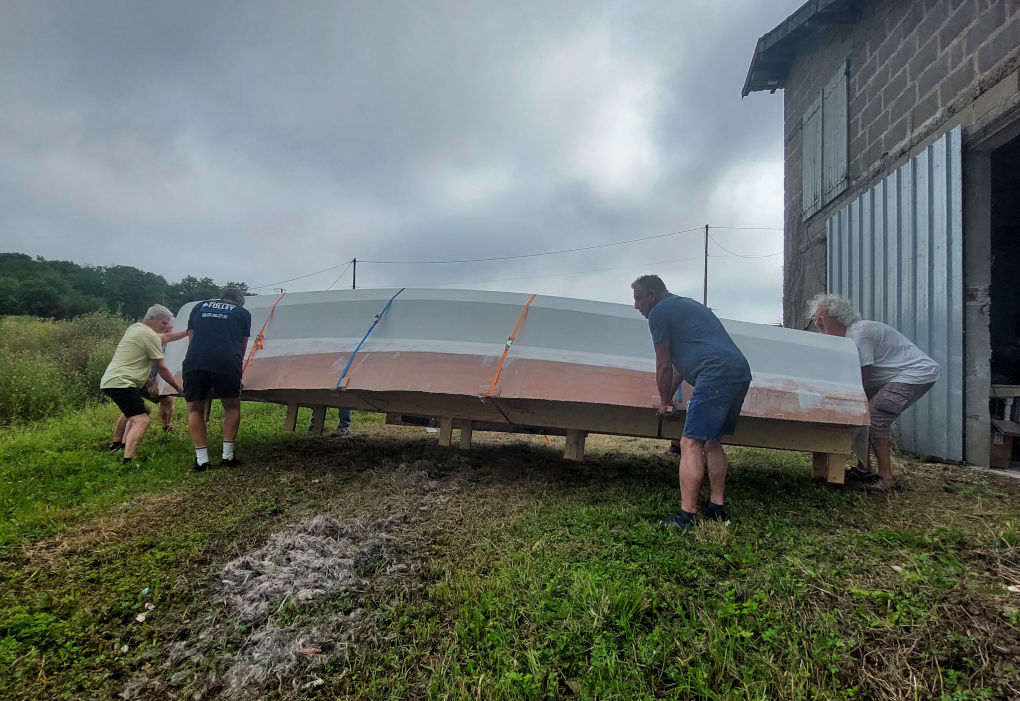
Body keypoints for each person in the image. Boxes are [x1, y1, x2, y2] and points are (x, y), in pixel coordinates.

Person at [632, 275, 751, 530]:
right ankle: (717, 509)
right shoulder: (688, 305)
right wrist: (667, 398)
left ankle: (687, 517)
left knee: (689, 441)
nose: (636, 305)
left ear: (652, 295)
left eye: (638, 297)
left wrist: (664, 402)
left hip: (714, 373)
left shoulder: (659, 312)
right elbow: (677, 369)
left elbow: (663, 365)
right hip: (739, 372)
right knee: (712, 440)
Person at [808, 294, 941, 491]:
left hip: (916, 374)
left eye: (820, 318)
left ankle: (885, 478)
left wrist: (846, 401)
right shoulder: (845, 340)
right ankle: (864, 469)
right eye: (814, 319)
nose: (817, 323)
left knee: (875, 418)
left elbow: (862, 376)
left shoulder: (860, 333)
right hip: (897, 377)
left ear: (839, 318)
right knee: (861, 415)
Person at [100, 305, 185, 463]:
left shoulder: (135, 328)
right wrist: (178, 387)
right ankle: (128, 460)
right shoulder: (151, 336)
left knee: (141, 409)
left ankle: (118, 444)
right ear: (151, 319)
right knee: (142, 419)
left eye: (168, 325)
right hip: (122, 382)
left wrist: (187, 333)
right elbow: (161, 367)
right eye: (163, 324)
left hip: (118, 380)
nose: (166, 327)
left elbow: (167, 338)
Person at [183, 288, 251, 472]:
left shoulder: (198, 307)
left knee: (195, 408)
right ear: (239, 302)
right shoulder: (242, 313)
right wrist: (236, 371)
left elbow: (192, 338)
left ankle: (202, 461)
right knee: (231, 406)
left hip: (195, 360)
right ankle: (227, 457)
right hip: (227, 361)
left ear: (223, 298)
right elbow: (242, 346)